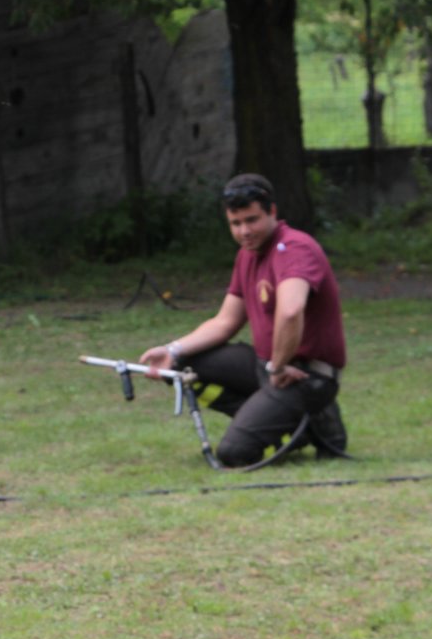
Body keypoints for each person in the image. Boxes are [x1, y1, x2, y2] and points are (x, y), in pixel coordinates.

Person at [139, 173, 348, 466]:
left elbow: (290, 311)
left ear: (272, 211)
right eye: (236, 224)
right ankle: (289, 426)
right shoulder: (247, 256)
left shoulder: (294, 249)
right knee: (180, 365)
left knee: (234, 454)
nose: (244, 231)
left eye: (252, 220)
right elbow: (224, 322)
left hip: (303, 376)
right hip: (268, 367)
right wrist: (172, 350)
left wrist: (277, 366)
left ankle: (301, 416)